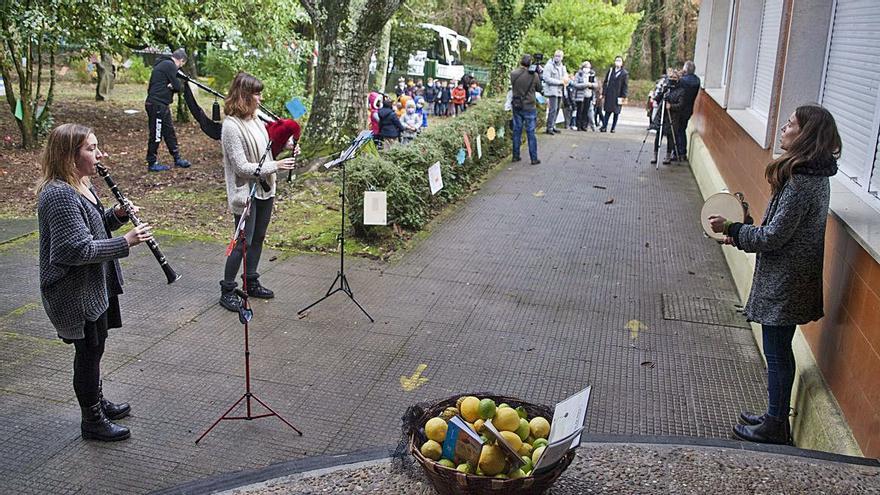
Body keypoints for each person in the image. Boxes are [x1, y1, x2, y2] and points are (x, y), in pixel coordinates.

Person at [708, 105, 841, 446]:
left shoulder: (801, 183)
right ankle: (774, 414)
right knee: (778, 350)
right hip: (789, 279)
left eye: (791, 124)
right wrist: (745, 227)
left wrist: (735, 229)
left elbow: (773, 238)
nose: (783, 128)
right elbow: (776, 231)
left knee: (778, 353)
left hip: (787, 283)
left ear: (806, 135)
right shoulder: (810, 176)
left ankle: (776, 425)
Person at [37, 123, 155, 441]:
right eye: (91, 148)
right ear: (68, 156)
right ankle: (91, 420)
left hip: (92, 285)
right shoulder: (59, 195)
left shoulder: (81, 184)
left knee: (97, 348)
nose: (99, 154)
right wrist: (126, 241)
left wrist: (115, 216)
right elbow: (74, 249)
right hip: (73, 293)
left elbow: (91, 231)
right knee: (88, 353)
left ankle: (97, 402)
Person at [219, 72, 297, 312]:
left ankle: (250, 280)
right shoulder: (231, 127)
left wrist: (286, 147)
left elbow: (266, 151)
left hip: (265, 189)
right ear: (244, 96)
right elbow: (242, 167)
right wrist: (277, 165)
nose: (261, 98)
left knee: (259, 237)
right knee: (243, 241)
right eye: (257, 94)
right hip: (246, 193)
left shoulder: (255, 119)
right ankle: (228, 289)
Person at [145, 48, 191, 172]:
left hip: (162, 104)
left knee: (169, 131)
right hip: (156, 104)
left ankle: (177, 158)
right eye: (182, 65)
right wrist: (173, 86)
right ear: (181, 60)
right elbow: (177, 86)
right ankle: (152, 162)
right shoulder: (170, 65)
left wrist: (172, 85)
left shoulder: (164, 64)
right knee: (156, 133)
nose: (180, 68)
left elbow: (174, 85)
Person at [510, 54, 543, 165]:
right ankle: (533, 158)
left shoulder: (513, 74)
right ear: (530, 63)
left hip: (517, 105)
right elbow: (539, 88)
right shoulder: (534, 76)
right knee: (530, 132)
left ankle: (515, 155)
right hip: (529, 106)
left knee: (516, 131)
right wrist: (538, 73)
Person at [671, 61, 701, 161]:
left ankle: (676, 152)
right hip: (689, 109)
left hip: (679, 108)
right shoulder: (697, 81)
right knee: (682, 129)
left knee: (677, 131)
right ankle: (683, 152)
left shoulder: (683, 81)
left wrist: (678, 75)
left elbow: (675, 87)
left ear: (686, 69)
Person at [601, 55, 628, 133]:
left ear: (622, 63)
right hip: (609, 94)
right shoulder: (610, 71)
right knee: (607, 112)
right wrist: (603, 93)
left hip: (618, 95)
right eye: (616, 60)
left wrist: (624, 96)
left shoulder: (624, 73)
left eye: (619, 60)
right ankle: (604, 126)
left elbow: (625, 86)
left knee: (616, 113)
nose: (617, 62)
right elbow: (606, 82)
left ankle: (613, 128)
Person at [542, 50, 567, 134]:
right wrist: (560, 82)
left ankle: (553, 125)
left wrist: (566, 80)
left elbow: (565, 76)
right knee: (553, 109)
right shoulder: (549, 66)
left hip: (560, 90)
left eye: (559, 56)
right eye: (556, 55)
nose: (557, 57)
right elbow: (546, 78)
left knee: (557, 109)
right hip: (552, 90)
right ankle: (549, 127)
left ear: (562, 57)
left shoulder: (562, 67)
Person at [573, 62, 597, 131]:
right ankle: (579, 125)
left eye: (588, 67)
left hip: (588, 95)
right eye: (586, 67)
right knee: (580, 110)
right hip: (580, 96)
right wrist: (585, 85)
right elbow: (575, 84)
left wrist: (591, 85)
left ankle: (584, 125)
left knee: (586, 111)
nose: (587, 69)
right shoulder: (579, 74)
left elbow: (596, 84)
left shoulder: (592, 75)